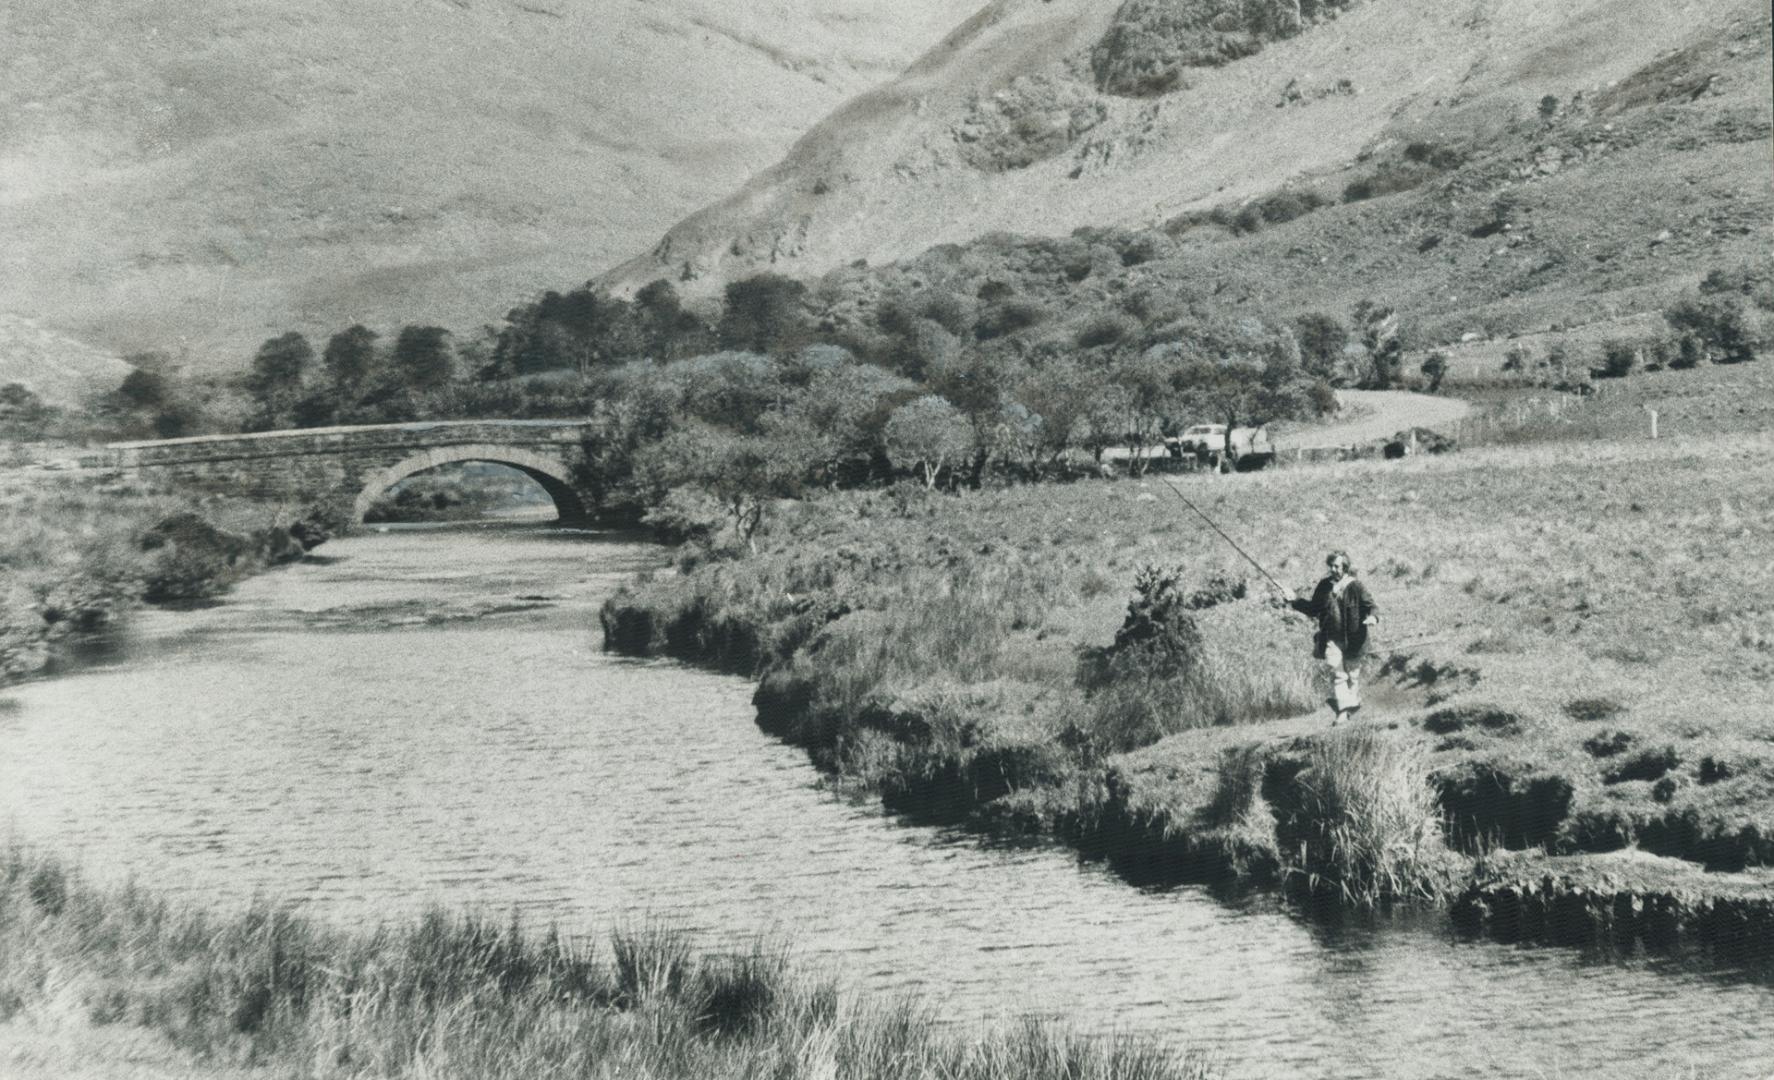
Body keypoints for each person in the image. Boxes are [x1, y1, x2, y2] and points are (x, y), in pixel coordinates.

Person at [1278, 551, 1379, 724]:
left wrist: (1373, 618)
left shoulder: (1356, 586)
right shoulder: (1324, 586)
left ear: (1345, 567)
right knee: (1338, 674)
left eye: (1337, 566)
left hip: (1354, 639)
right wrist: (1294, 600)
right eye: (1331, 566)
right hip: (1331, 639)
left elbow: (1372, 606)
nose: (1333, 569)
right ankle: (1343, 711)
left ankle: (1349, 709)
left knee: (1353, 676)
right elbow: (1312, 609)